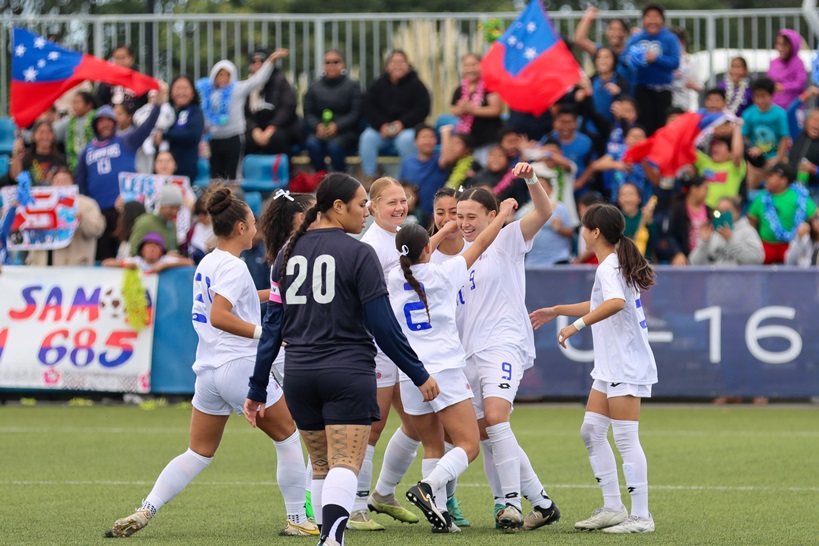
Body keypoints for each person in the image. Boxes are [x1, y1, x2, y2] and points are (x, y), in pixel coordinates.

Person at [107, 188, 316, 538]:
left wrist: (280, 293)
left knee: (199, 452)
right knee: (288, 438)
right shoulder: (234, 267)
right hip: (240, 365)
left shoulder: (210, 261)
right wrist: (263, 333)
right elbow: (221, 315)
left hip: (208, 372)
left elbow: (239, 299)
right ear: (238, 227)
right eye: (252, 223)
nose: (256, 229)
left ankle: (147, 508)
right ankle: (297, 519)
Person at [245, 173, 438, 546]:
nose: (366, 212)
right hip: (347, 372)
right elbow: (383, 326)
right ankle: (332, 539)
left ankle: (325, 534)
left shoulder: (288, 253)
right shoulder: (358, 252)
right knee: (345, 463)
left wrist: (256, 387)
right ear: (338, 206)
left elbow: (272, 331)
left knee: (320, 467)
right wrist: (418, 373)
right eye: (362, 203)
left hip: (299, 374)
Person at [529, 202, 658, 534]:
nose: (581, 232)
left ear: (595, 232)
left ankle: (641, 516)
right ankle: (613, 507)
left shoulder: (608, 267)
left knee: (626, 439)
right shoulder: (613, 264)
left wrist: (576, 326)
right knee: (591, 431)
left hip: (625, 363)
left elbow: (614, 304)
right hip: (612, 365)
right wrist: (558, 310)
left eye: (584, 227)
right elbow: (605, 302)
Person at [391, 200, 514, 532]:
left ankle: (442, 516)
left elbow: (416, 253)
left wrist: (442, 230)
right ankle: (429, 487)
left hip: (409, 373)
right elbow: (483, 243)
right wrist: (501, 215)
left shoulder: (390, 277)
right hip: (442, 369)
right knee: (469, 445)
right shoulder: (443, 273)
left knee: (433, 444)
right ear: (427, 250)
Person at [455, 165, 560, 531]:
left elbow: (546, 213)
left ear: (490, 214)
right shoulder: (456, 255)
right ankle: (542, 502)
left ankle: (511, 504)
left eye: (472, 216)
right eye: (459, 216)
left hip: (504, 343)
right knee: (485, 433)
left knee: (498, 418)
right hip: (468, 353)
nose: (465, 223)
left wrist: (531, 180)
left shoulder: (507, 238)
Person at [353, 177, 423, 531]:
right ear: (373, 206)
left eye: (403, 200)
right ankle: (355, 505)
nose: (399, 207)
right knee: (373, 426)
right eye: (391, 202)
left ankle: (383, 493)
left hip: (402, 344)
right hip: (378, 347)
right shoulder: (370, 246)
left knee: (414, 424)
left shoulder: (404, 238)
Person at [75, 92, 162, 261]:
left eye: (109, 121)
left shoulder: (125, 140)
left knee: (129, 251)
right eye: (101, 122)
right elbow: (81, 182)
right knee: (103, 255)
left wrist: (157, 106)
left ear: (115, 123)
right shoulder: (86, 151)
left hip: (124, 209)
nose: (105, 125)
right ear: (95, 125)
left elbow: (146, 127)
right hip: (98, 211)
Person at [197, 49, 287, 181]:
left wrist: (270, 61)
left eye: (226, 75)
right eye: (219, 75)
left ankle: (234, 200)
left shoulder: (237, 89)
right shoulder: (208, 94)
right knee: (215, 177)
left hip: (233, 137)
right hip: (214, 139)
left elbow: (257, 80)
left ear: (231, 76)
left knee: (233, 176)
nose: (222, 79)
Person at [359, 50, 431, 181]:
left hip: (407, 129)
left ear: (408, 65)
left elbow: (422, 110)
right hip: (380, 130)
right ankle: (370, 176)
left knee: (407, 140)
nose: (397, 65)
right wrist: (381, 125)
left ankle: (408, 179)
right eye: (394, 62)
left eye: (401, 62)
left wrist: (402, 123)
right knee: (367, 138)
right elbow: (368, 108)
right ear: (387, 66)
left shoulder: (417, 85)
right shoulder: (377, 85)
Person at [25, 168, 106, 266]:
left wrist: (82, 217)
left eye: (66, 180)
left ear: (73, 183)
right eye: (57, 181)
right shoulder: (38, 203)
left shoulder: (87, 204)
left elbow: (97, 229)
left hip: (74, 267)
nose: (61, 184)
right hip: (40, 265)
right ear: (51, 184)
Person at [623, 3, 680, 135]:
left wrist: (655, 58)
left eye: (656, 16)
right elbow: (624, 58)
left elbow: (675, 62)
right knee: (644, 126)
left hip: (663, 89)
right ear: (643, 20)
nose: (652, 20)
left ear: (662, 20)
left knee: (662, 129)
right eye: (649, 17)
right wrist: (632, 60)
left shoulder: (670, 38)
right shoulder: (636, 38)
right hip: (642, 89)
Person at [303, 49, 363, 173]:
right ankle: (321, 180)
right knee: (312, 144)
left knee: (334, 147)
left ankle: (341, 180)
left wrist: (337, 126)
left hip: (345, 132)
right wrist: (317, 126)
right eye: (328, 62)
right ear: (323, 65)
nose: (332, 66)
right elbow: (308, 112)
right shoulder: (314, 87)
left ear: (343, 65)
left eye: (336, 62)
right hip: (320, 131)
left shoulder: (353, 86)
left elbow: (356, 113)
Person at [747, 163, 817, 264]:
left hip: (791, 246)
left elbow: (815, 215)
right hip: (766, 246)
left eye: (771, 176)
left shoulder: (799, 196)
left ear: (783, 180)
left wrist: (805, 230)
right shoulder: (762, 197)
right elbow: (751, 221)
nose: (767, 179)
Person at [244, 47, 303, 156]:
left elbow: (288, 107)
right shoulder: (248, 85)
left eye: (262, 61)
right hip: (257, 128)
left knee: (278, 138)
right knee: (244, 140)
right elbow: (243, 113)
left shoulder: (280, 80)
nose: (257, 65)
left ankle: (285, 170)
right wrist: (254, 130)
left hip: (278, 127)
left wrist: (270, 129)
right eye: (254, 62)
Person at [450, 53, 503, 165]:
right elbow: (453, 109)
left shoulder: (489, 86)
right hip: (468, 142)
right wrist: (460, 109)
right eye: (466, 66)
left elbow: (496, 109)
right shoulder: (459, 89)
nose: (470, 69)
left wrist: (472, 109)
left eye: (473, 65)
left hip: (488, 140)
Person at [742, 77, 791, 190]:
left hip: (776, 158)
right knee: (749, 186)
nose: (760, 100)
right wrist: (751, 149)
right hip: (756, 161)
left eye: (763, 96)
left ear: (771, 95)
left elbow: (785, 137)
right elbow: (745, 137)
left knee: (783, 186)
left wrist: (778, 158)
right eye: (757, 97)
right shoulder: (748, 114)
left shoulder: (780, 114)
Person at [689, 197, 764, 265]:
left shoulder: (748, 231)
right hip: (715, 278)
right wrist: (704, 243)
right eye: (719, 211)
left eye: (727, 210)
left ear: (738, 211)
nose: (723, 213)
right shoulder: (712, 232)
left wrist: (731, 239)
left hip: (739, 279)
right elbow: (694, 263)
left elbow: (755, 260)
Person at [654, 176, 711, 266]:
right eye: (705, 189)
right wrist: (677, 253)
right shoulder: (677, 209)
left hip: (703, 258)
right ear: (694, 189)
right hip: (683, 257)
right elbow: (670, 234)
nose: (708, 193)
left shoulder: (709, 211)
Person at [524, 176, 576, 268]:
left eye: (541, 186)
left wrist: (559, 229)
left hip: (556, 260)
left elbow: (572, 233)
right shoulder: (524, 211)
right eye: (532, 187)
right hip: (532, 262)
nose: (536, 189)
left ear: (551, 190)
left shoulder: (561, 208)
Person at [398, 124, 449, 216]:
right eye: (424, 137)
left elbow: (446, 159)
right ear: (415, 141)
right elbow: (401, 187)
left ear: (436, 140)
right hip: (413, 217)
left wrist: (445, 133)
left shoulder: (439, 160)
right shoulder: (407, 162)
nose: (428, 141)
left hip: (435, 216)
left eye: (431, 137)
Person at [163, 75, 205, 182]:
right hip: (163, 168)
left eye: (185, 88)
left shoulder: (195, 112)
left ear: (192, 92)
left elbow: (193, 135)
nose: (181, 92)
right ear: (171, 91)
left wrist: (165, 135)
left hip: (185, 168)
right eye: (178, 88)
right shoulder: (166, 110)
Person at [695, 120, 746, 208]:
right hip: (703, 210)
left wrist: (736, 129)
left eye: (720, 146)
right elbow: (688, 147)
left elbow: (737, 154)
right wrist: (708, 127)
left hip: (723, 210)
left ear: (730, 153)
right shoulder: (704, 162)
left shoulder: (735, 166)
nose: (715, 148)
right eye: (713, 145)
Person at [573, 7, 631, 83]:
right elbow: (579, 40)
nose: (615, 33)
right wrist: (587, 19)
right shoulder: (601, 51)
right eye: (612, 29)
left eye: (619, 29)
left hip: (628, 93)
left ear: (625, 33)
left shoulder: (631, 52)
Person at [128, 184, 184, 256]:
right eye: (171, 208)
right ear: (161, 206)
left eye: (178, 208)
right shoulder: (145, 222)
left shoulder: (172, 224)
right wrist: (163, 258)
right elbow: (134, 252)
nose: (175, 212)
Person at [103, 231, 194, 273]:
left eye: (156, 245)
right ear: (141, 250)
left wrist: (164, 266)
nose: (152, 248)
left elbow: (190, 262)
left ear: (161, 251)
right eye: (149, 245)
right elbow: (106, 263)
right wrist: (125, 265)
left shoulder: (165, 260)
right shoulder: (137, 262)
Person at [9, 120, 66, 185]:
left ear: (53, 136)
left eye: (49, 132)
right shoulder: (27, 158)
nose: (45, 136)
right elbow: (16, 178)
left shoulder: (61, 159)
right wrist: (16, 151)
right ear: (33, 136)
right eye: (41, 132)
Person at [52, 91, 97, 173]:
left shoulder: (97, 119)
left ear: (89, 105)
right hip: (74, 169)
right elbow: (51, 132)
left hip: (94, 165)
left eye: (77, 102)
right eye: (73, 103)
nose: (74, 106)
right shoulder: (68, 122)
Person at [97, 44, 149, 110]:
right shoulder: (107, 78)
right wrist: (107, 87)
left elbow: (146, 101)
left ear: (131, 58)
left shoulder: (140, 78)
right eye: (117, 58)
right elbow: (100, 102)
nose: (120, 61)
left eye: (123, 57)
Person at [767, 29, 807, 110]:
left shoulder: (797, 62)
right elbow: (768, 81)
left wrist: (783, 87)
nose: (780, 48)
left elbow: (800, 82)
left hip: (793, 107)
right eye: (778, 44)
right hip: (774, 107)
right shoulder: (774, 62)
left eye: (784, 45)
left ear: (793, 45)